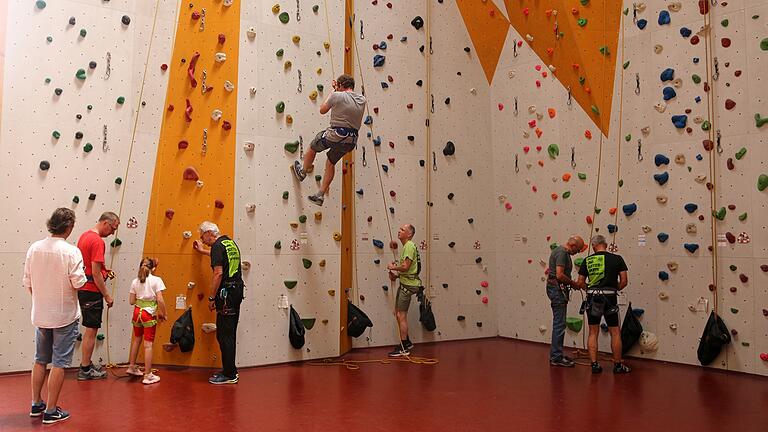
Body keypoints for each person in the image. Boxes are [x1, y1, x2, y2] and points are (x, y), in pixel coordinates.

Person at [24, 208, 87, 424]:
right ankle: (51, 411)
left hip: (40, 315)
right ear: (69, 227)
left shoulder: (34, 248)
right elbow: (78, 282)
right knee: (59, 363)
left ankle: (36, 404)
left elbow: (28, 282)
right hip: (64, 316)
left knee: (40, 360)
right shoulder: (72, 252)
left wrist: (41, 301)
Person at [292, 73, 367, 206]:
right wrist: (337, 90)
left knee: (314, 145)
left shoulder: (337, 95)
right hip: (351, 141)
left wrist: (333, 91)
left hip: (336, 134)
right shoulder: (362, 100)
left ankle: (302, 172)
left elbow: (322, 110)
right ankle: (320, 195)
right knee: (330, 162)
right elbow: (348, 99)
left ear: (340, 86)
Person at [193, 221, 244, 384]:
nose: (202, 240)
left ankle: (230, 375)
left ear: (209, 232)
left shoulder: (217, 246)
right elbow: (221, 257)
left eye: (202, 236)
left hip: (226, 295)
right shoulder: (229, 242)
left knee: (224, 335)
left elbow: (218, 273)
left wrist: (211, 297)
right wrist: (203, 251)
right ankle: (230, 370)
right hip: (236, 292)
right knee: (230, 332)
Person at [576, 235, 631, 374]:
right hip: (610, 298)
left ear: (594, 246)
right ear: (605, 245)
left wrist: (589, 289)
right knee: (615, 332)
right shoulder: (617, 259)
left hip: (593, 297)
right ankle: (618, 366)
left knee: (593, 332)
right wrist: (614, 288)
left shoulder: (587, 260)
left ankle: (594, 365)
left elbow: (580, 282)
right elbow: (624, 281)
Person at [76, 211, 120, 380]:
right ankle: (85, 369)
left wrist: (103, 271)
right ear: (105, 223)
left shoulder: (84, 236)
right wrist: (107, 295)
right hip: (92, 290)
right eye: (113, 228)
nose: (113, 232)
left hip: (83, 287)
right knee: (91, 330)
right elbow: (95, 273)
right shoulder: (97, 241)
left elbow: (88, 266)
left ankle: (86, 365)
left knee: (90, 329)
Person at [125, 257, 167, 384]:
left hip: (137, 313)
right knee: (148, 344)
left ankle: (132, 366)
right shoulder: (156, 280)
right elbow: (160, 300)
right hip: (148, 314)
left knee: (137, 339)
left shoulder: (135, 281)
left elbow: (131, 301)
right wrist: (164, 313)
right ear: (153, 268)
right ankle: (148, 375)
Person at [546, 235, 585, 367]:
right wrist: (573, 283)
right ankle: (556, 357)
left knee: (560, 322)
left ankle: (557, 354)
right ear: (573, 246)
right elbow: (559, 275)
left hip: (556, 289)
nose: (577, 253)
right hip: (557, 289)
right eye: (578, 250)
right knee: (559, 323)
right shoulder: (562, 253)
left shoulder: (561, 252)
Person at [386, 224, 421, 357]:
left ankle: (403, 347)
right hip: (406, 283)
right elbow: (407, 269)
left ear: (409, 235)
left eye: (402, 230)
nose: (399, 231)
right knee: (398, 314)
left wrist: (393, 267)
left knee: (401, 315)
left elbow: (406, 267)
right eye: (399, 229)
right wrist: (395, 275)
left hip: (408, 285)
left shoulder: (409, 246)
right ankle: (407, 342)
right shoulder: (407, 247)